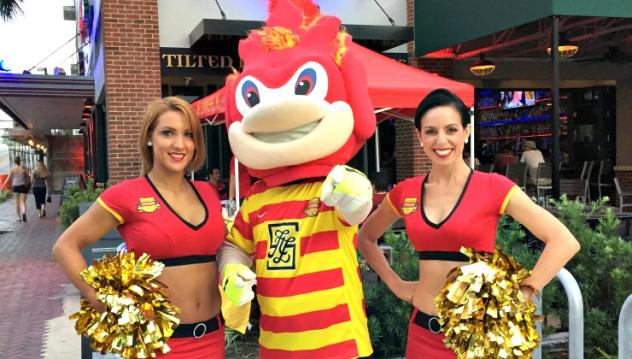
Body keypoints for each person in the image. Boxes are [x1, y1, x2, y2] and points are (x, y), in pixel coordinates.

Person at [358, 89, 580, 358]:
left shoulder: (493, 187)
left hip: (477, 339)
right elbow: (365, 237)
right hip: (422, 335)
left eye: (451, 129)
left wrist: (526, 290)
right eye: (430, 131)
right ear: (419, 137)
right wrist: (396, 285)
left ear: (466, 131)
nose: (441, 140)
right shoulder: (406, 192)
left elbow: (563, 241)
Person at [52, 97, 226, 358]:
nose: (180, 144)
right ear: (149, 138)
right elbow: (65, 246)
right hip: (158, 344)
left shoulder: (208, 192)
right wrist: (102, 301)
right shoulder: (126, 194)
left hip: (213, 338)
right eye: (168, 133)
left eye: (188, 134)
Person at [2, 156, 30, 222]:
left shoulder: (12, 169)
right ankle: (24, 213)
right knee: (23, 202)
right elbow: (28, 176)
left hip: (15, 186)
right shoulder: (23, 168)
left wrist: (2, 187)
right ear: (20, 161)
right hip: (23, 186)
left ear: (14, 162)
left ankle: (18, 218)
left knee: (17, 202)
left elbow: (7, 179)